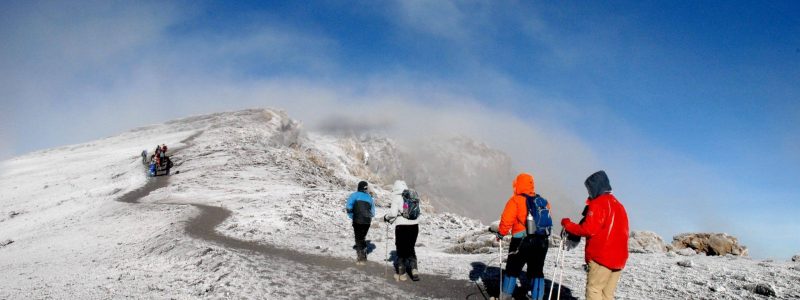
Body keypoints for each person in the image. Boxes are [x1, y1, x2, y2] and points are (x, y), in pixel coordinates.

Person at [561, 170, 629, 300]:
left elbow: (588, 229)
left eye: (589, 189)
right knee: (607, 294)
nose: (589, 192)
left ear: (595, 187)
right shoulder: (619, 205)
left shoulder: (599, 203)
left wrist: (567, 224)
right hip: (619, 258)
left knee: (594, 290)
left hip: (602, 257)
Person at [496, 173, 551, 300]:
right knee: (537, 271)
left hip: (521, 240)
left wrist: (501, 233)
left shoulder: (516, 200)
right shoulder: (542, 201)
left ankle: (506, 296)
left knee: (512, 269)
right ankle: (537, 297)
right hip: (542, 241)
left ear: (518, 184)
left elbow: (506, 220)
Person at [383, 180, 420, 281]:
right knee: (410, 247)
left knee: (400, 249)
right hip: (415, 226)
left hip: (402, 227)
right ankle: (414, 270)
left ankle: (402, 274)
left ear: (395, 188)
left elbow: (393, 214)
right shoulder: (412, 197)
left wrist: (386, 217)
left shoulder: (397, 197)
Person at [345, 181, 375, 265]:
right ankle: (363, 254)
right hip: (367, 221)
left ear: (358, 187)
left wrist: (352, 216)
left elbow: (348, 207)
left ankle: (361, 258)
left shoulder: (354, 195)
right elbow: (373, 213)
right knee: (362, 237)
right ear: (366, 188)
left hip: (357, 220)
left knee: (358, 238)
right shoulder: (369, 197)